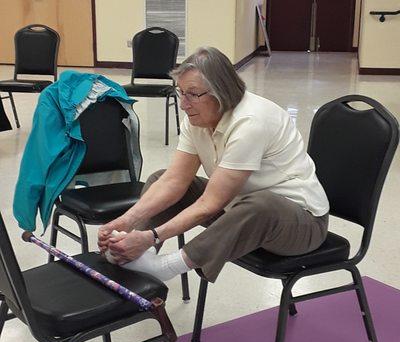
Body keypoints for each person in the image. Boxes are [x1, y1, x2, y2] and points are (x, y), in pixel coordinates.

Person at [97, 46, 329, 283]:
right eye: (181, 92)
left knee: (261, 203)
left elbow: (211, 204)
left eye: (193, 94)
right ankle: (134, 253)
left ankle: (165, 266)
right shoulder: (197, 118)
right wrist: (127, 222)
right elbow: (174, 181)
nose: (183, 104)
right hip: (238, 210)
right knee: (160, 178)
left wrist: (153, 235)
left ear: (221, 92)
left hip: (300, 224)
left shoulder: (251, 121)